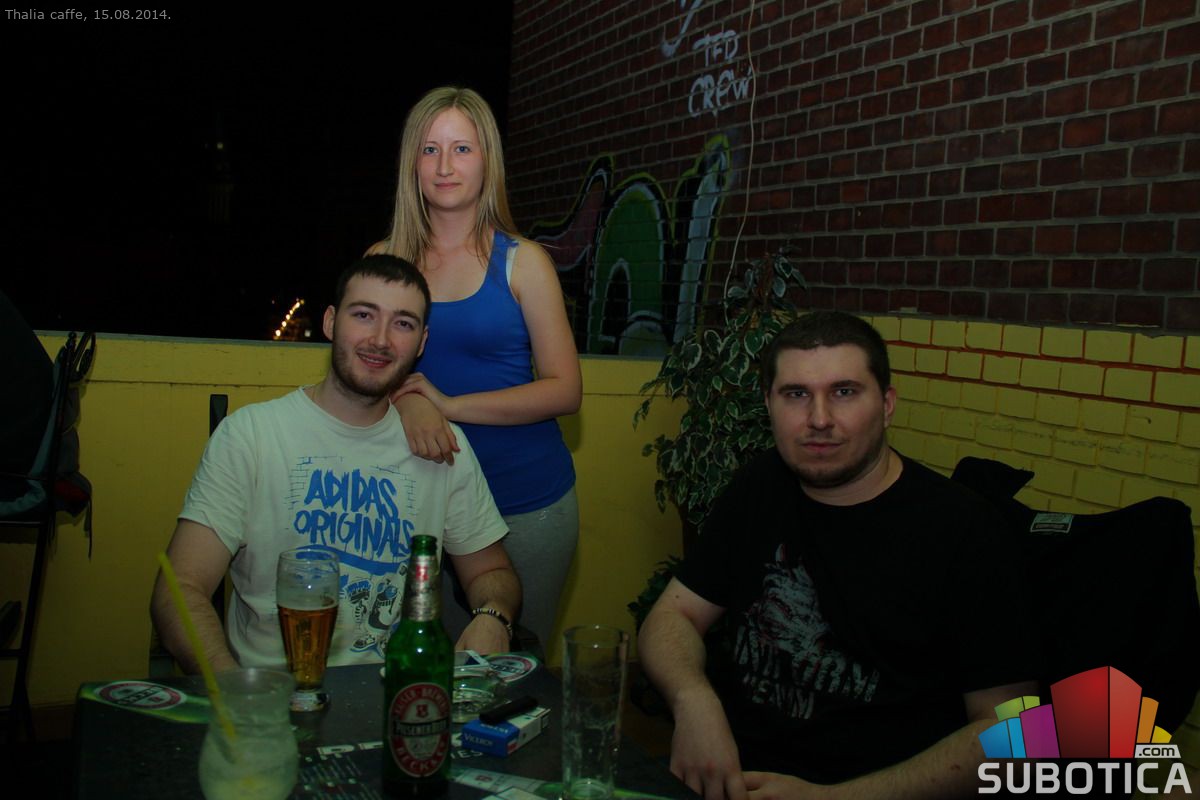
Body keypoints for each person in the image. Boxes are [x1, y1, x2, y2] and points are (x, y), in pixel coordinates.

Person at [638, 311, 1034, 800]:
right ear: (768, 405)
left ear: (886, 405)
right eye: (795, 394)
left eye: (844, 392)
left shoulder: (965, 530)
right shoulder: (759, 487)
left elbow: (1019, 734)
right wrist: (692, 699)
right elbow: (672, 615)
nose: (819, 419)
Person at [151, 255, 520, 674]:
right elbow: (180, 588)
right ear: (330, 322)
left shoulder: (441, 447)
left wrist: (494, 617)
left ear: (421, 343)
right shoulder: (251, 436)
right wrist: (231, 686)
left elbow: (492, 571)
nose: (380, 340)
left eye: (403, 323)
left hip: (392, 692)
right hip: (270, 691)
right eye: (364, 315)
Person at [369, 86, 580, 649]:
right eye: (430, 149)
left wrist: (448, 406)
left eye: (461, 149)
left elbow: (565, 390)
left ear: (488, 161)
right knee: (410, 671)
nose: (445, 166)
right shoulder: (382, 261)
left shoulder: (524, 262)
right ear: (412, 163)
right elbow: (362, 372)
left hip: (525, 506)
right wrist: (407, 401)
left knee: (507, 675)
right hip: (413, 503)